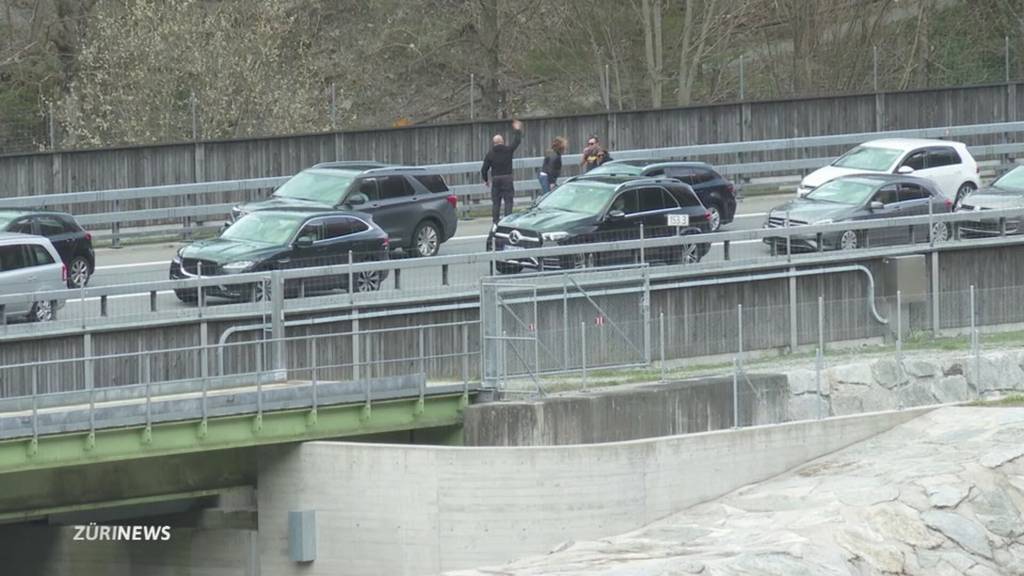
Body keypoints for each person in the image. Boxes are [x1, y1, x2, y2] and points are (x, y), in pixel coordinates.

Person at [481, 119, 523, 224]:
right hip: (507, 178)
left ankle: (495, 222)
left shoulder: (490, 154)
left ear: (494, 143)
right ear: (502, 141)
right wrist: (517, 129)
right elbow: (517, 141)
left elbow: (484, 169)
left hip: (496, 179)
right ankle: (507, 221)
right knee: (508, 201)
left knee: (496, 202)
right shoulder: (508, 150)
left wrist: (486, 180)